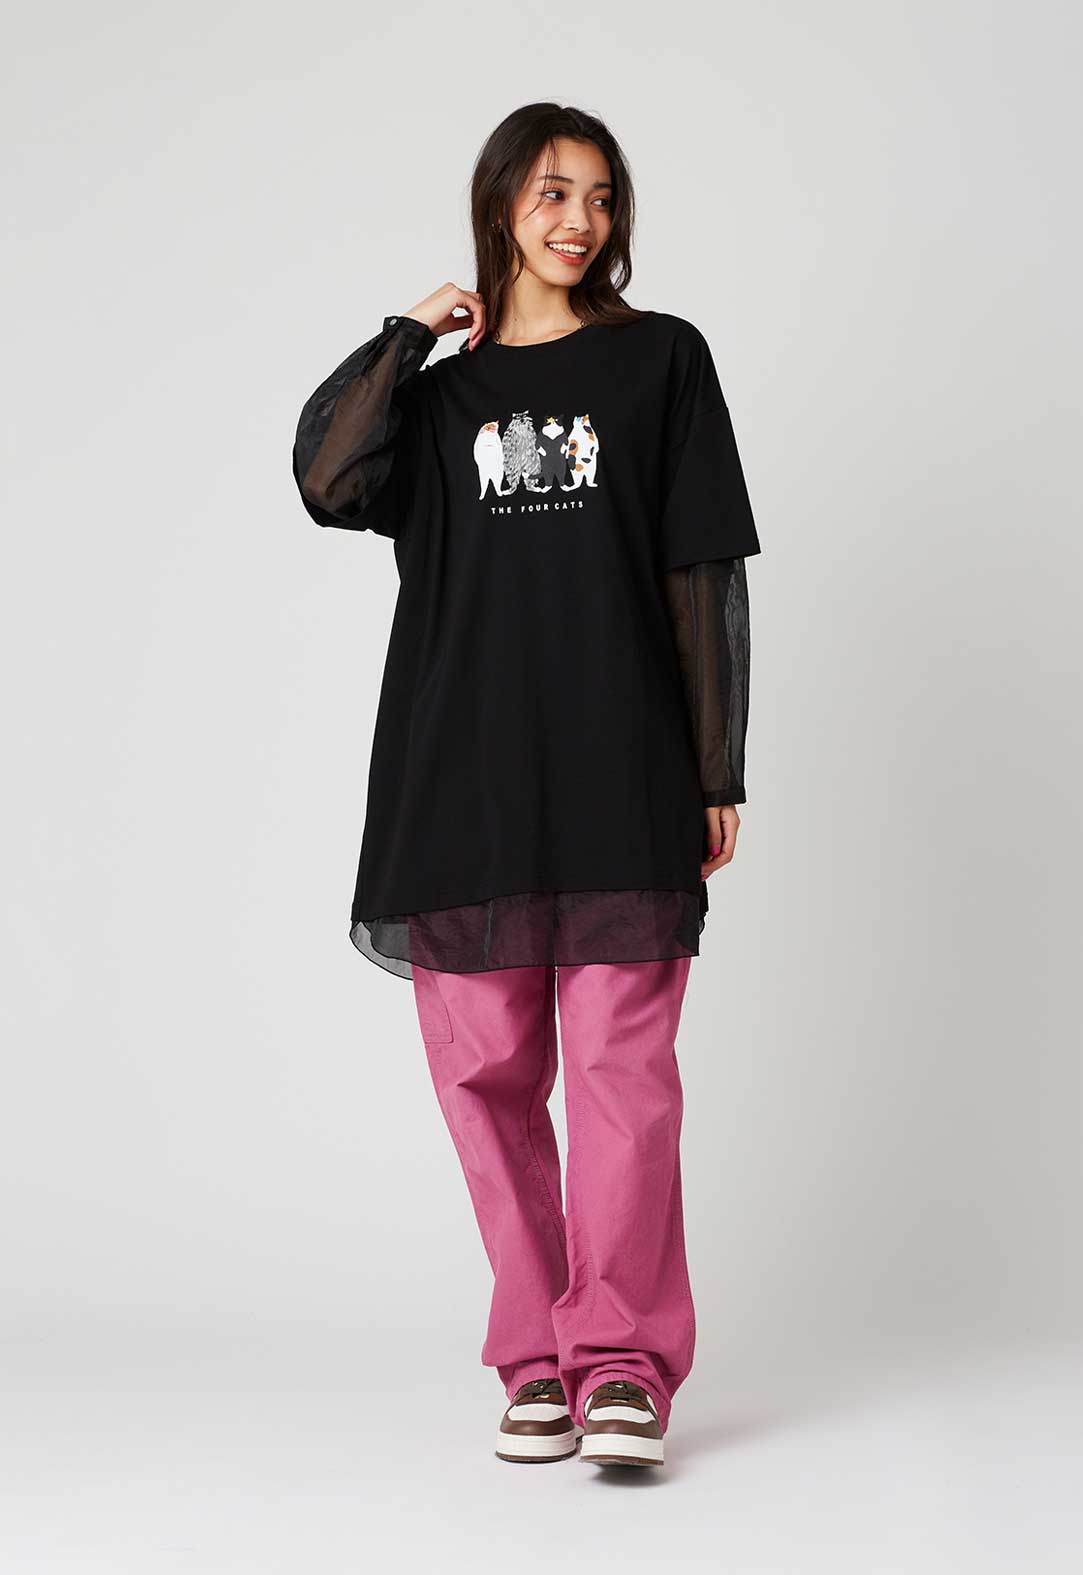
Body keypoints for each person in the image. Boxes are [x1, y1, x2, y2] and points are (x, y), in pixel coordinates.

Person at [292, 101, 761, 1470]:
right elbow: (326, 478)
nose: (579, 222)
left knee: (622, 1072)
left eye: (601, 198)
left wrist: (715, 764)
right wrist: (405, 337)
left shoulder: (661, 360)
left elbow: (701, 566)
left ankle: (621, 1362)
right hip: (460, 769)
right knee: (487, 1072)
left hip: (620, 759)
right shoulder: (432, 403)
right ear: (499, 202)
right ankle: (536, 1354)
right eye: (553, 193)